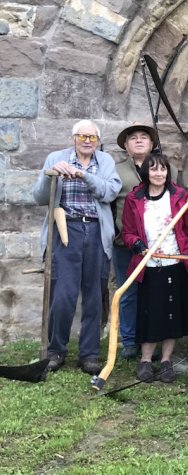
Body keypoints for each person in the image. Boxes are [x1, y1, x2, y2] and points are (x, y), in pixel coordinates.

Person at [32, 119, 121, 375]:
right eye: (82, 136)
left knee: (94, 296)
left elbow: (110, 192)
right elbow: (39, 197)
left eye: (92, 137)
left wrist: (84, 175)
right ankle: (56, 351)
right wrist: (51, 175)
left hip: (95, 231)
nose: (87, 141)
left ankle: (89, 355)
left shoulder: (105, 162)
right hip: (65, 230)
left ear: (98, 141)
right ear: (74, 138)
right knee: (63, 295)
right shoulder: (55, 158)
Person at [121, 154, 188, 383]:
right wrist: (136, 244)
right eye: (154, 169)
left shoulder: (179, 195)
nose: (159, 174)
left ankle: (166, 361)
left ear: (168, 172)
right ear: (146, 172)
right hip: (150, 263)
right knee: (151, 313)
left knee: (171, 314)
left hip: (175, 261)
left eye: (163, 169)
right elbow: (127, 231)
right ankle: (146, 360)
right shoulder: (134, 198)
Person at [112, 122, 158, 360]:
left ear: (152, 144)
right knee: (128, 292)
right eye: (133, 138)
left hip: (157, 246)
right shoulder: (115, 170)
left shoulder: (164, 168)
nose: (139, 140)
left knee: (154, 293)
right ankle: (129, 341)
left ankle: (151, 339)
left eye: (144, 137)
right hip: (125, 245)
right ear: (126, 146)